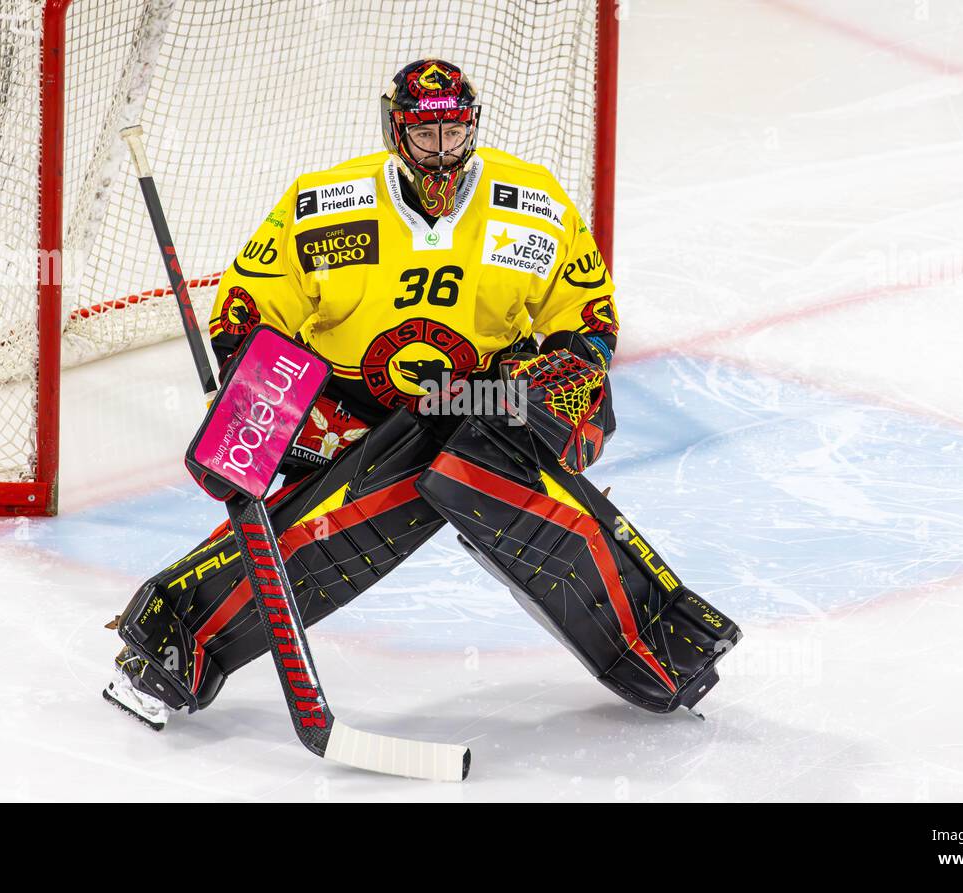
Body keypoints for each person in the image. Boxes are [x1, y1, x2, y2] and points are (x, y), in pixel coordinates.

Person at [104, 59, 740, 731]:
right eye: (425, 135)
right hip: (350, 416)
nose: (442, 151)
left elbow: (590, 317)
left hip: (484, 406)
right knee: (328, 522)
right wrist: (246, 404)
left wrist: (570, 368)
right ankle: (174, 646)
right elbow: (244, 310)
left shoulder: (533, 204)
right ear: (395, 133)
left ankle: (655, 643)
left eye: (455, 133)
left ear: (473, 128)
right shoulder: (325, 205)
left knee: (501, 447)